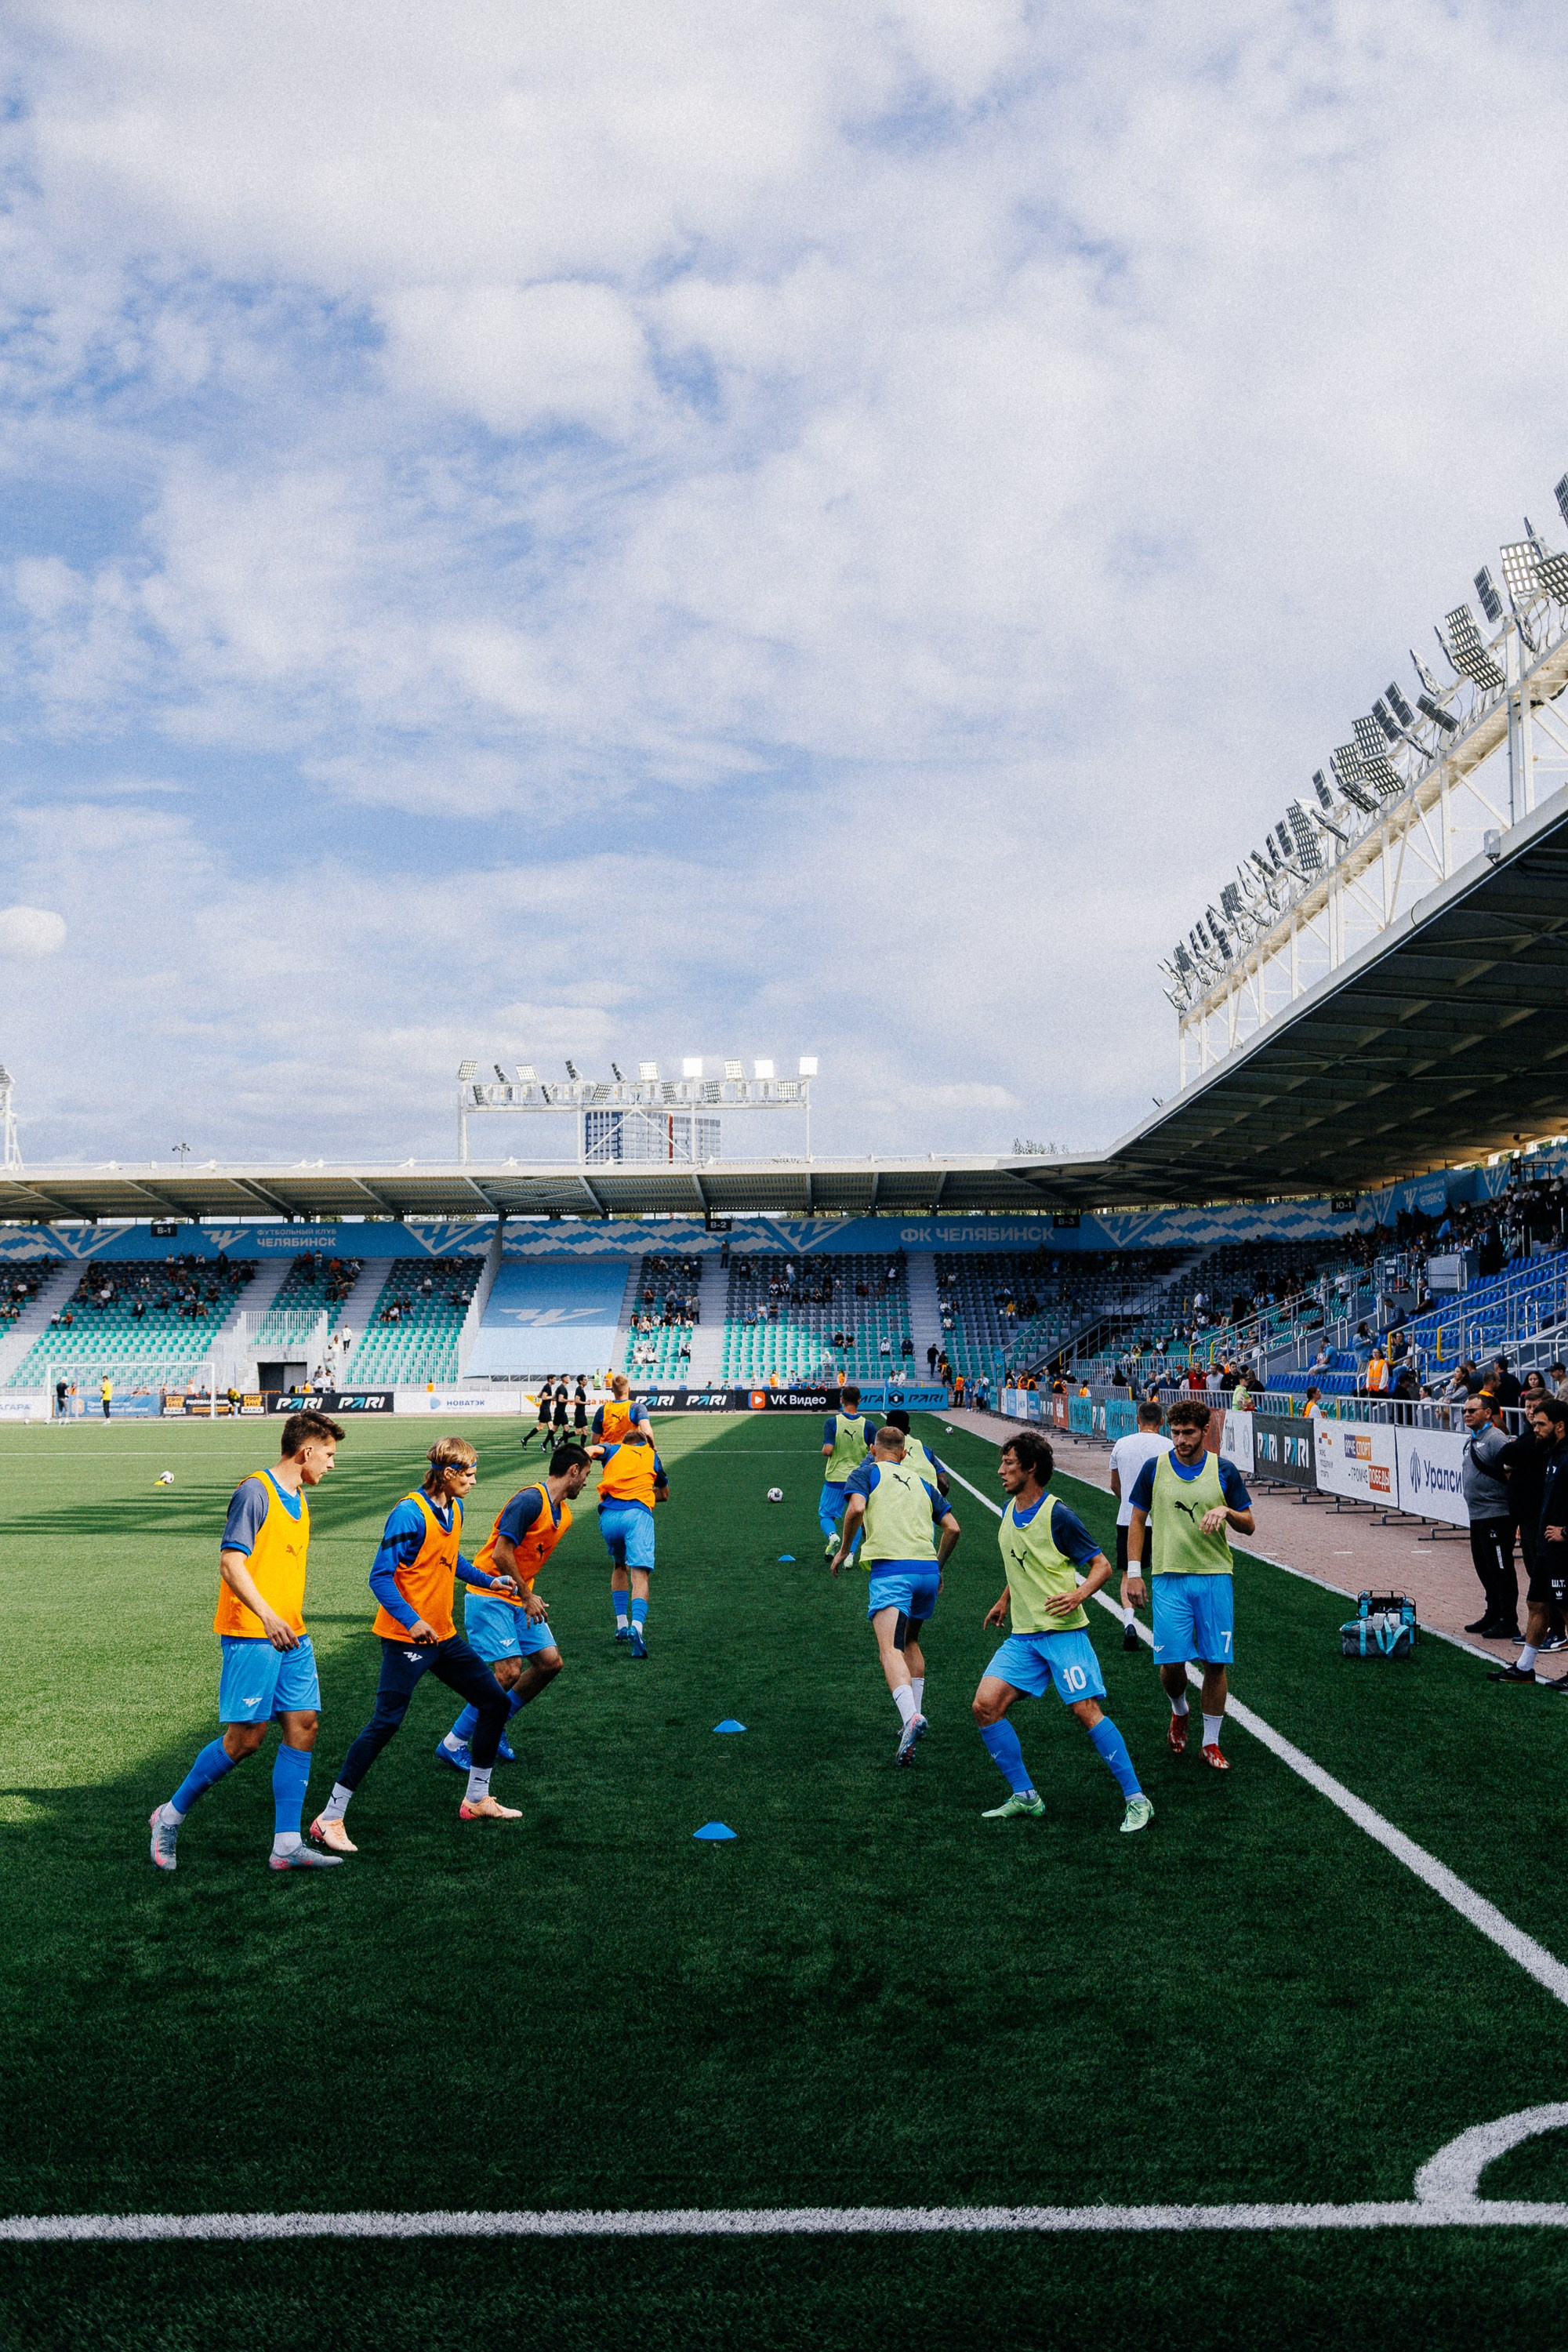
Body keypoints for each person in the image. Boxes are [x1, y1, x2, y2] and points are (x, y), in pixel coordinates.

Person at [150, 1410, 348, 1873]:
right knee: (245, 1740)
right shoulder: (255, 1492)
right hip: (252, 1633)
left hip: (291, 1633)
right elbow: (231, 1563)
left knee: (304, 1725)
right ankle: (169, 1816)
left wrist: (284, 1620)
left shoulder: (299, 1497)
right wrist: (266, 1616)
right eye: (330, 1455)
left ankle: (286, 1846)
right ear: (306, 1452)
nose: (332, 1465)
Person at [309, 1438, 521, 1849]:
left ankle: (476, 1799)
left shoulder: (454, 1508)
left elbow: (448, 1559)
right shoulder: (409, 1513)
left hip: (443, 1635)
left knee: (495, 1701)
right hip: (406, 1639)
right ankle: (329, 1818)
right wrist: (413, 1621)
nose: (475, 1482)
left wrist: (489, 1580)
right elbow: (380, 1577)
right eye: (470, 1474)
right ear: (448, 1474)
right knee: (386, 1722)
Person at [971, 1428, 1151, 1834]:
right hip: (1024, 1635)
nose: (1001, 1471)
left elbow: (1102, 1566)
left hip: (1063, 1633)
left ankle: (1138, 1800)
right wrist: (1005, 1599)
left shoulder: (1059, 1515)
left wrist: (1079, 1595)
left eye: (1009, 1464)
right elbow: (1023, 1560)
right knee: (985, 1707)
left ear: (1031, 1468)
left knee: (1085, 1712)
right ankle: (1026, 1796)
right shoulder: (1008, 1509)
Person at [437, 1443, 595, 1766]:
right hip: (491, 1595)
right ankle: (453, 1743)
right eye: (586, 1475)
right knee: (508, 1672)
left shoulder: (562, 1514)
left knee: (550, 1663)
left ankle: (495, 1725)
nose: (586, 1483)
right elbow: (500, 1554)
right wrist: (526, 1595)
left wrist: (524, 1595)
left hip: (519, 1598)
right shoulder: (528, 1501)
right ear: (573, 1471)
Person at [1125, 1397, 1255, 1770]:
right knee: (1171, 1662)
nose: (1180, 1439)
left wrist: (1228, 1511)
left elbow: (1249, 1524)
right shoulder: (1155, 1469)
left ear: (1205, 1432)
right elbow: (1137, 1521)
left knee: (1215, 1662)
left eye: (1188, 1433)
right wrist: (1135, 1572)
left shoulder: (1224, 1470)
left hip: (1215, 1577)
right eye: (1176, 1432)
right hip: (1169, 1578)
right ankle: (1179, 1710)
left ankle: (1210, 1743)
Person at [829, 1423, 960, 1764]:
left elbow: (856, 1509)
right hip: (926, 1573)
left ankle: (910, 1718)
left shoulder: (866, 1473)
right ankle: (912, 1718)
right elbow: (953, 1528)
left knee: (890, 1650)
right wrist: (938, 1566)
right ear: (903, 1454)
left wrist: (845, 1550)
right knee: (911, 1643)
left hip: (892, 1572)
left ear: (873, 1450)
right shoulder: (921, 1482)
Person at [1490, 1400, 1566, 1682]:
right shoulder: (1550, 1453)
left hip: (1563, 1548)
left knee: (1566, 1609)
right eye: (1534, 1424)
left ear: (1559, 1426)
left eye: (1541, 1424)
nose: (1535, 1429)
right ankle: (1525, 1667)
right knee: (1536, 1604)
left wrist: (1565, 1532)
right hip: (1547, 1545)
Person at [595, 1421, 667, 1656]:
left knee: (619, 1565)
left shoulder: (614, 1449)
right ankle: (637, 1627)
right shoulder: (651, 1456)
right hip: (636, 1515)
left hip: (609, 1518)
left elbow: (592, 1449)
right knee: (640, 1573)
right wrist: (645, 1490)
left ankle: (621, 1624)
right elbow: (665, 1494)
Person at [1109, 1401, 1170, 1655]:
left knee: (1128, 1573)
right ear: (1162, 1421)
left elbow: (1114, 1485)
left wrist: (1130, 1504)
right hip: (1163, 1519)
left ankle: (1129, 1623)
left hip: (1129, 1518)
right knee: (1165, 1573)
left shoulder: (1121, 1444)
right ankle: (1166, 1628)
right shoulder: (1170, 1446)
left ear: (1137, 1419)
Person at [1461, 1390, 1519, 1639]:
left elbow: (1512, 1472)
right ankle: (1493, 1612)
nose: (1467, 1414)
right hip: (1478, 1515)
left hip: (1496, 1515)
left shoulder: (1496, 1438)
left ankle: (1508, 1620)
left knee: (1500, 1567)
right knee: (1484, 1567)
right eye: (1464, 1411)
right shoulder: (1472, 1439)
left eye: (1472, 1410)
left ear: (1487, 1413)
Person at [820, 1385, 878, 1563]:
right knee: (857, 1517)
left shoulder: (832, 1423)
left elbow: (828, 1450)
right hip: (859, 1479)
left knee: (826, 1514)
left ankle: (832, 1536)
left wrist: (825, 1449)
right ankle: (850, 1555)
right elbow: (876, 1452)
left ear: (841, 1400)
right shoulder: (868, 1425)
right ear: (860, 1401)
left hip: (835, 1477)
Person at [881, 1407, 948, 1494]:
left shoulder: (880, 1449)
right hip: (925, 1500)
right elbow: (944, 1483)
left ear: (885, 1429)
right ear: (909, 1430)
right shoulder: (925, 1450)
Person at [593, 1372, 650, 1449]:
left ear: (612, 1390)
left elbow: (595, 1441)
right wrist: (653, 1446)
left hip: (610, 1456)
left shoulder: (602, 1410)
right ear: (629, 1389)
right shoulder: (637, 1408)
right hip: (630, 1451)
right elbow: (647, 1432)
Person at [521, 1381, 554, 1454]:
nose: (555, 1380)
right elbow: (544, 1397)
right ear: (550, 1379)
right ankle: (525, 1439)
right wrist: (553, 1396)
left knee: (551, 1428)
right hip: (545, 1409)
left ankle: (553, 1446)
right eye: (554, 1379)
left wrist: (552, 1398)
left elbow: (539, 1396)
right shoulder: (547, 1386)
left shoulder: (547, 1386)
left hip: (546, 1409)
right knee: (541, 1427)